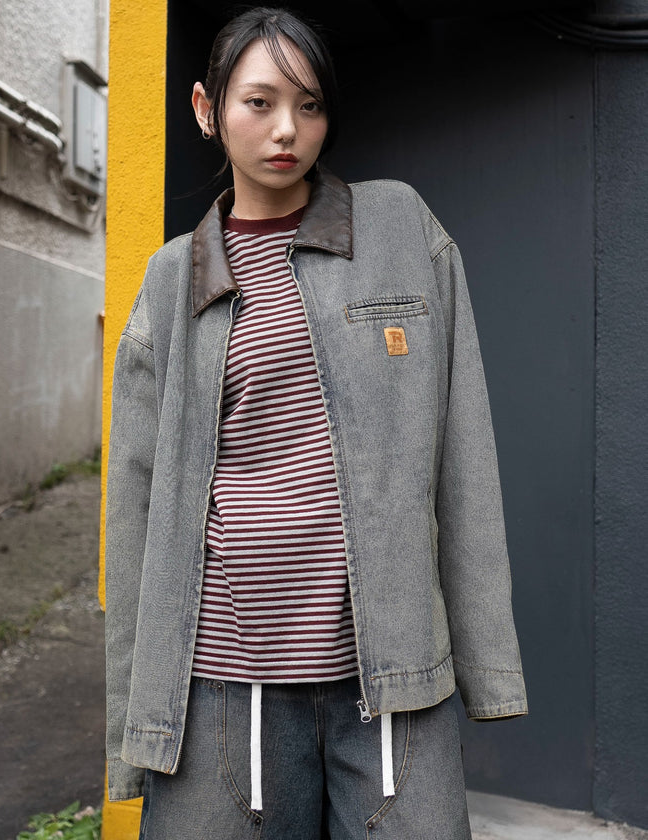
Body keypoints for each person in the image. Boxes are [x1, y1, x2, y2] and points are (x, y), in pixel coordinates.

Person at [105, 7, 528, 839]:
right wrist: (134, 720)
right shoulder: (170, 281)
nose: (286, 130)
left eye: (310, 105)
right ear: (206, 109)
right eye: (259, 102)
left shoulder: (400, 228)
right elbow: (135, 509)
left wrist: (487, 665)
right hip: (220, 682)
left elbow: (463, 457)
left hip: (392, 676)